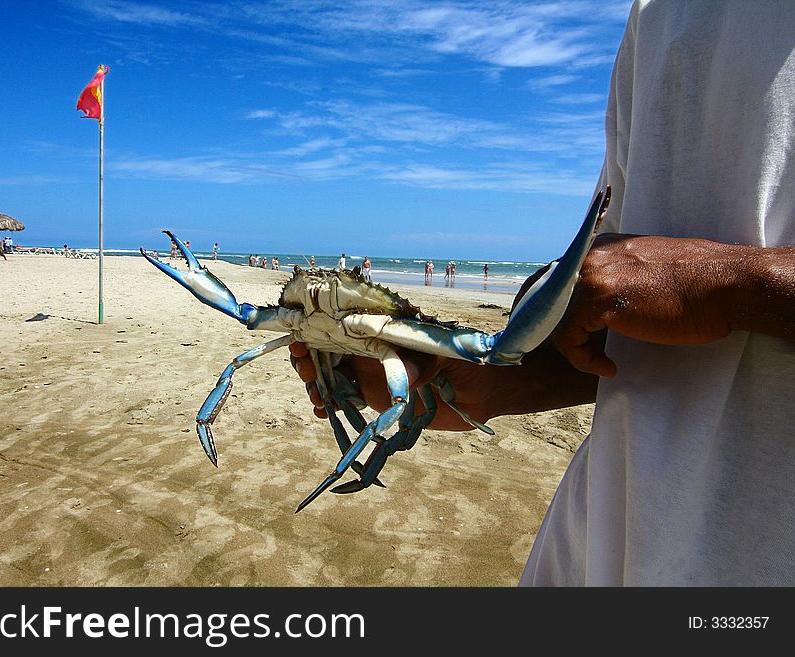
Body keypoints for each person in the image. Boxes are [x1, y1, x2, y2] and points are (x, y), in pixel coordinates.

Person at [288, 0, 795, 586]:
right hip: (603, 538)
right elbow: (639, 344)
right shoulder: (655, 12)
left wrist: (734, 284)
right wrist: (493, 383)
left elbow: (686, 289)